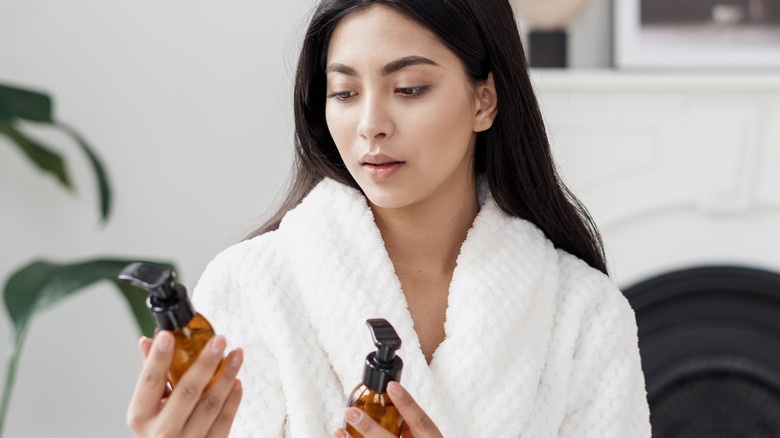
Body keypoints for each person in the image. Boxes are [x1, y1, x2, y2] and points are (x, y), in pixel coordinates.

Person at [126, 0, 651, 436]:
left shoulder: (583, 314)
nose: (371, 125)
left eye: (408, 89)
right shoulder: (250, 287)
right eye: (345, 93)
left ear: (483, 101)